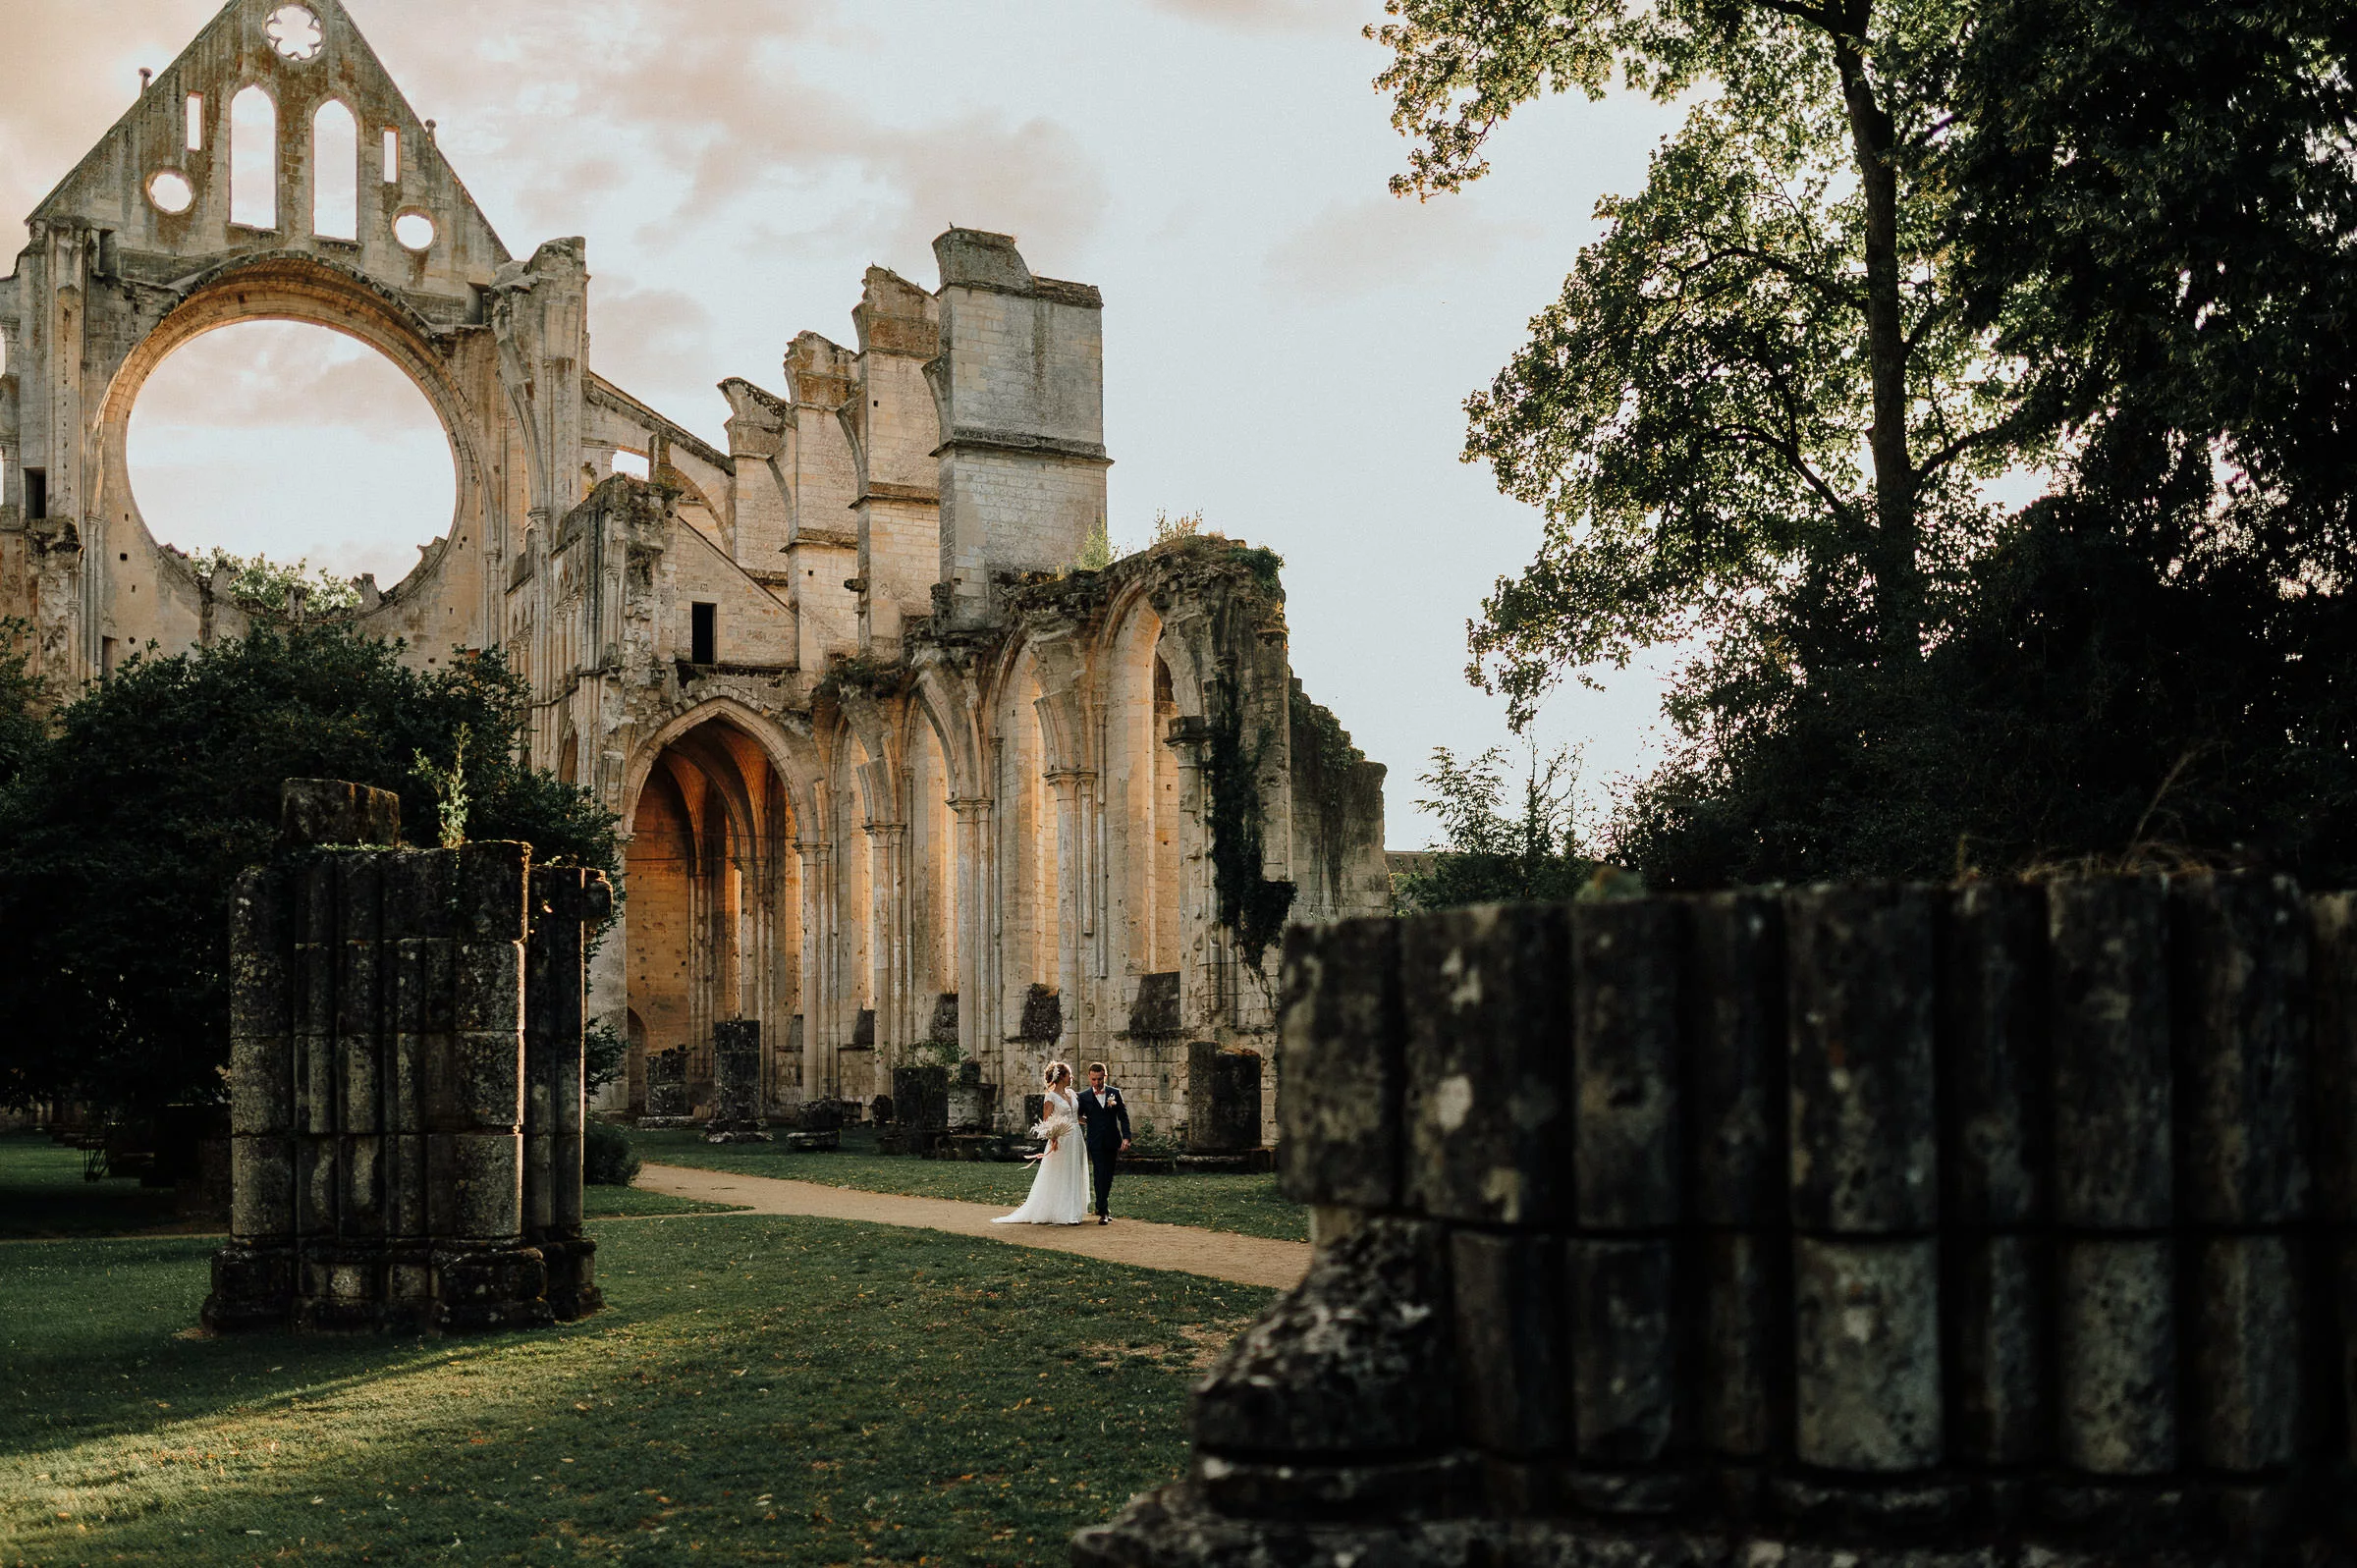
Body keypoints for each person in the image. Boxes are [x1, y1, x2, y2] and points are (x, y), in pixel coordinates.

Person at [992, 1060, 1090, 1225]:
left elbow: (1076, 1116)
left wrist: (1090, 1121)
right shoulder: (1050, 1097)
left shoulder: (1072, 1094)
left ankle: (1073, 1210)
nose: (1072, 1077)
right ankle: (1063, 1213)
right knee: (1062, 1173)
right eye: (1069, 1075)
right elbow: (1047, 1121)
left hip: (1076, 1138)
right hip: (1062, 1140)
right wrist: (1053, 1138)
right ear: (1061, 1077)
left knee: (1074, 1171)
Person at [1075, 1061, 1131, 1224]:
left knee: (1108, 1175)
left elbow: (1123, 1117)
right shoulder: (1084, 1096)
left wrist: (1126, 1138)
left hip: (1112, 1140)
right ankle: (1103, 1211)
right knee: (1099, 1173)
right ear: (1089, 1078)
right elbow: (1077, 1115)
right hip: (1095, 1141)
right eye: (1094, 1079)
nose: (1097, 1083)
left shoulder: (1114, 1093)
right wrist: (1088, 1122)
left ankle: (1102, 1206)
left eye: (1100, 1079)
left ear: (1105, 1076)